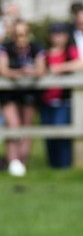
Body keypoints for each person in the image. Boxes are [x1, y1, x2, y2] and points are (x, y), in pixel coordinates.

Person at [1, 20, 45, 176]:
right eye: (18, 34)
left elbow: (41, 69)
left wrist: (26, 73)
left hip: (28, 92)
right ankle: (13, 161)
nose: (21, 38)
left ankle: (22, 161)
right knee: (14, 125)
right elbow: (4, 70)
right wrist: (22, 72)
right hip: (8, 93)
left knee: (26, 126)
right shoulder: (5, 48)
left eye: (24, 34)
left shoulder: (36, 47)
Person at [41, 23, 83, 169]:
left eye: (61, 34)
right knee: (49, 135)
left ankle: (65, 164)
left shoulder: (69, 51)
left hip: (63, 100)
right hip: (46, 100)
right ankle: (53, 165)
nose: (58, 38)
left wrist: (58, 68)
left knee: (62, 132)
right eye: (55, 34)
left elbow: (80, 64)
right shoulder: (44, 53)